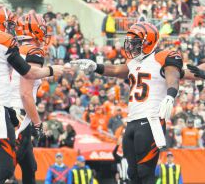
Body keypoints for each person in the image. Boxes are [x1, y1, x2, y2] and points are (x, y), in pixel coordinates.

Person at [0, 4, 65, 184]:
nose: (10, 29)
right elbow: (28, 74)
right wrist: (52, 70)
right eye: (7, 24)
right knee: (4, 168)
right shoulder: (3, 40)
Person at [71, 22, 184, 184]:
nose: (131, 46)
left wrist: (171, 95)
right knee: (133, 173)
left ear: (148, 42)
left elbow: (173, 76)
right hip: (132, 122)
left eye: (135, 42)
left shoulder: (163, 57)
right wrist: (96, 66)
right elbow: (117, 70)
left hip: (151, 120)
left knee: (145, 172)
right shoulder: (134, 61)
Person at [10, 12, 52, 184]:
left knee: (30, 166)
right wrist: (38, 124)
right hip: (18, 113)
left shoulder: (14, 48)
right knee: (6, 167)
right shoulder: (33, 50)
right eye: (41, 28)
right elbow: (25, 93)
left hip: (14, 111)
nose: (43, 32)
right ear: (32, 29)